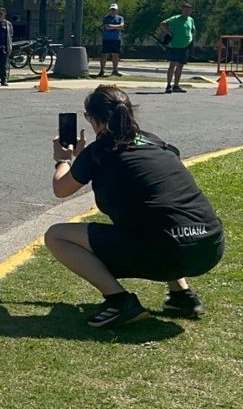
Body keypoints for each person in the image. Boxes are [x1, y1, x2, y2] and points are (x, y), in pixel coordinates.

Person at [46, 85, 224, 327]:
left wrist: (63, 160)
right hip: (210, 246)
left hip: (169, 252)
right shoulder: (154, 141)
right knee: (158, 217)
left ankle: (119, 301)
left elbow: (61, 189)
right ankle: (182, 296)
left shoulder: (98, 151)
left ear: (91, 119)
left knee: (56, 236)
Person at [161, 3, 194, 93]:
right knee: (172, 66)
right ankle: (168, 85)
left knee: (180, 66)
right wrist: (169, 32)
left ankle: (176, 85)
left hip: (185, 46)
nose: (187, 12)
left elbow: (192, 30)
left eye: (189, 10)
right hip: (176, 45)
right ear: (182, 10)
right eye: (185, 10)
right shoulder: (175, 18)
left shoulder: (191, 20)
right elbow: (163, 23)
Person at [98, 3, 125, 77]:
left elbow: (122, 26)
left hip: (116, 39)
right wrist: (117, 26)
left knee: (115, 55)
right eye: (112, 9)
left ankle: (115, 70)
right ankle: (102, 70)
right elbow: (107, 27)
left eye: (114, 9)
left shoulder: (120, 18)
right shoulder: (106, 18)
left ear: (117, 10)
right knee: (104, 55)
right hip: (107, 39)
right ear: (110, 10)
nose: (113, 11)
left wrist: (112, 26)